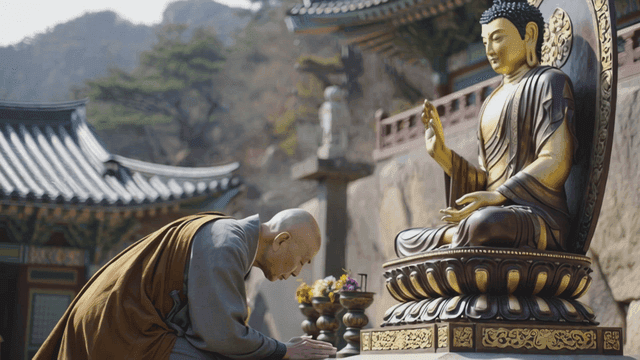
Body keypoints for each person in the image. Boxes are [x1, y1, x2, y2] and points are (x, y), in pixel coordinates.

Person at [395, 0, 578, 257]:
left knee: (483, 225)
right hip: (494, 216)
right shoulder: (490, 101)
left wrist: (499, 196)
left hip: (537, 218)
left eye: (498, 38)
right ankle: (458, 241)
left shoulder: (550, 83)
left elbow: (556, 161)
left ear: (530, 35)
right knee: (404, 240)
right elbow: (487, 180)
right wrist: (442, 155)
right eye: (484, 42)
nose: (490, 50)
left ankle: (457, 243)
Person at [35, 209, 337, 360]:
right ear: (281, 241)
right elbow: (222, 337)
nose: (298, 272)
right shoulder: (227, 244)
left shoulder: (233, 240)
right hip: (119, 325)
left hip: (118, 317)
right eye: (302, 260)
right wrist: (283, 351)